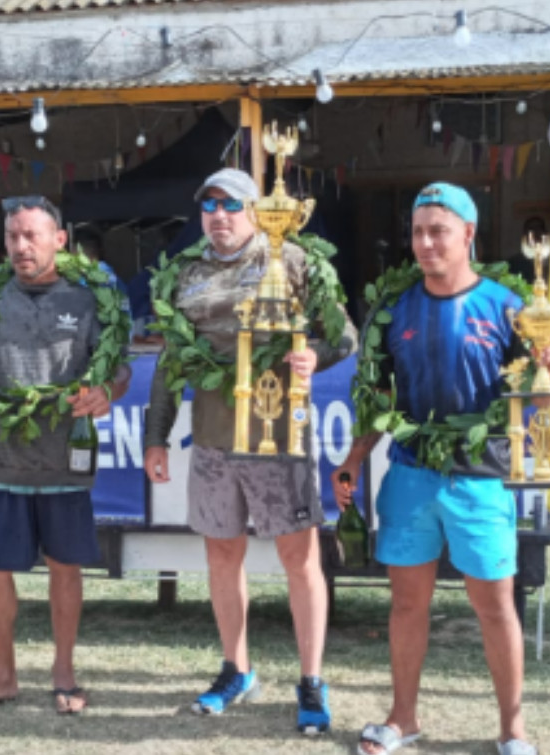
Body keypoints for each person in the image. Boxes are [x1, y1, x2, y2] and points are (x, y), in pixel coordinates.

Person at [335, 183, 550, 755]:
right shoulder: (393, 308)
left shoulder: (509, 308)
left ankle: (512, 730)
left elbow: (543, 402)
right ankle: (402, 720)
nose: (426, 243)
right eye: (417, 231)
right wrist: (355, 459)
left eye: (439, 230)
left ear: (468, 235)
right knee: (407, 604)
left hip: (481, 476)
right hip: (408, 476)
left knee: (495, 607)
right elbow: (377, 398)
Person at [143, 168, 358, 735]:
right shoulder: (185, 275)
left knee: (299, 560)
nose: (218, 215)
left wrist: (312, 354)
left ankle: (311, 680)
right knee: (221, 557)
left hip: (278, 437)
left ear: (256, 210)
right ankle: (236, 669)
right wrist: (154, 436)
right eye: (208, 204)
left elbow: (346, 337)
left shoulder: (295, 261)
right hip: (213, 441)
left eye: (230, 204)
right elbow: (171, 362)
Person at [0, 195, 131, 720]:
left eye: (32, 235)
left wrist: (108, 391)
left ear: (59, 240)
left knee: (65, 566)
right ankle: (2, 677)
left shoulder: (91, 300)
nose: (20, 246)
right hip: (2, 462)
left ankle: (64, 672)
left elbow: (119, 368)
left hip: (64, 459)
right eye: (12, 236)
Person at [504, 216, 547, 284]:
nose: (535, 232)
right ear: (525, 234)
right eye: (531, 229)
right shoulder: (513, 264)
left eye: (539, 228)